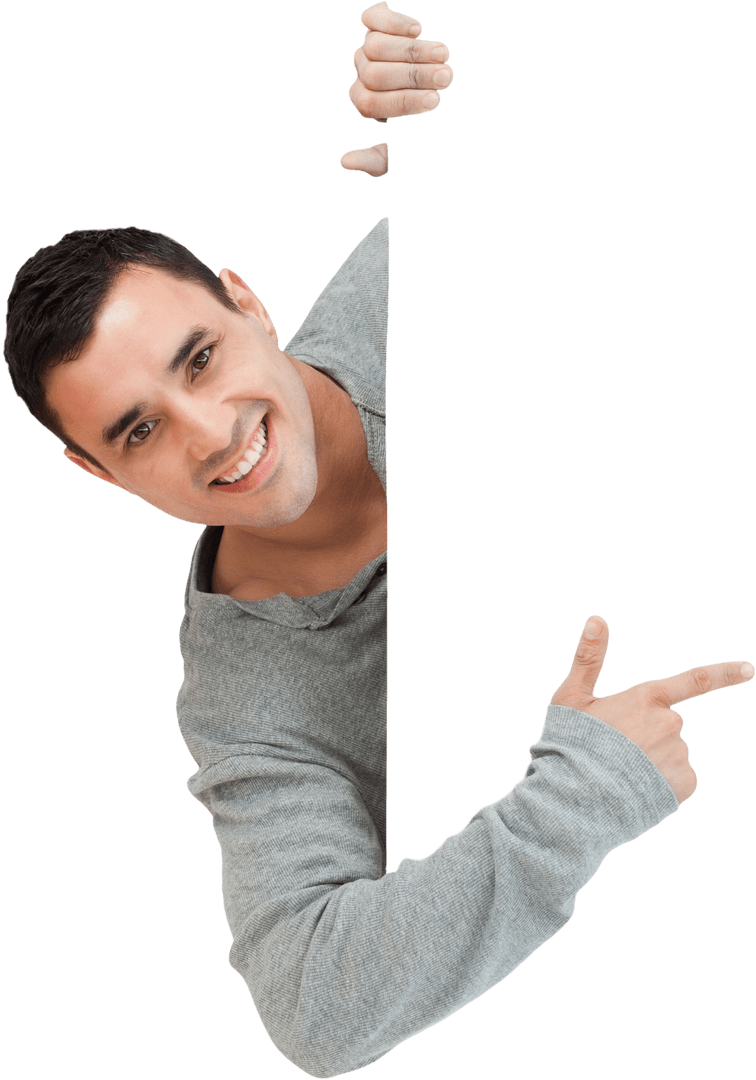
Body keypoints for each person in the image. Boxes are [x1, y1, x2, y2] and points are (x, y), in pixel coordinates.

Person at [3, 9, 753, 1080]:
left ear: (247, 304)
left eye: (202, 358)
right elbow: (314, 1009)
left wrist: (496, 116)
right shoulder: (244, 700)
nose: (211, 432)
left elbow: (690, 139)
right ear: (98, 475)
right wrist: (578, 797)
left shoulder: (419, 282)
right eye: (138, 430)